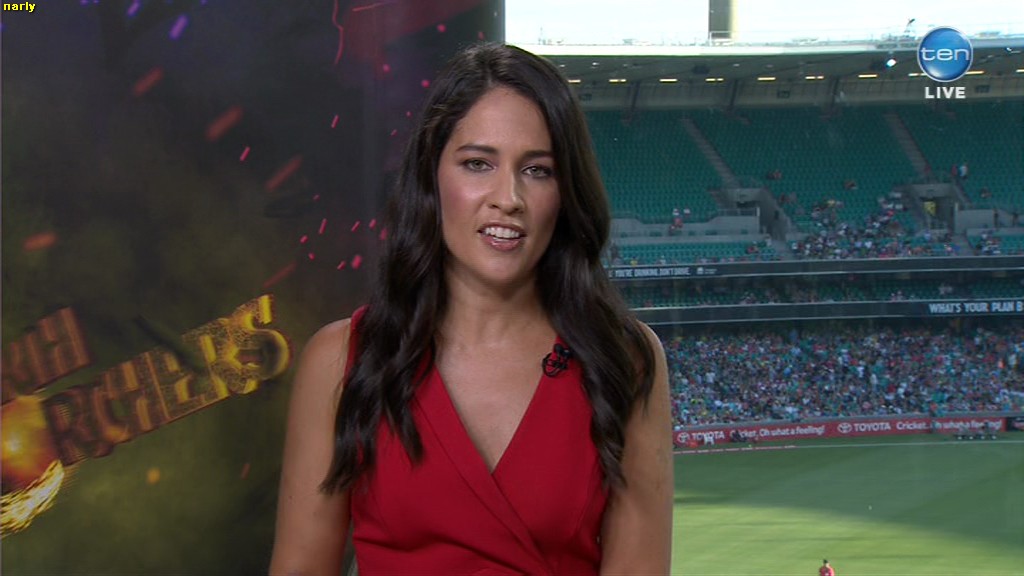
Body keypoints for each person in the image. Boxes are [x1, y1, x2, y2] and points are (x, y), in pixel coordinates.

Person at [269, 43, 673, 575]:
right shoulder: (341, 360)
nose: (508, 198)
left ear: (566, 190)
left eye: (538, 170)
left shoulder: (626, 359)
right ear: (432, 177)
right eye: (477, 164)